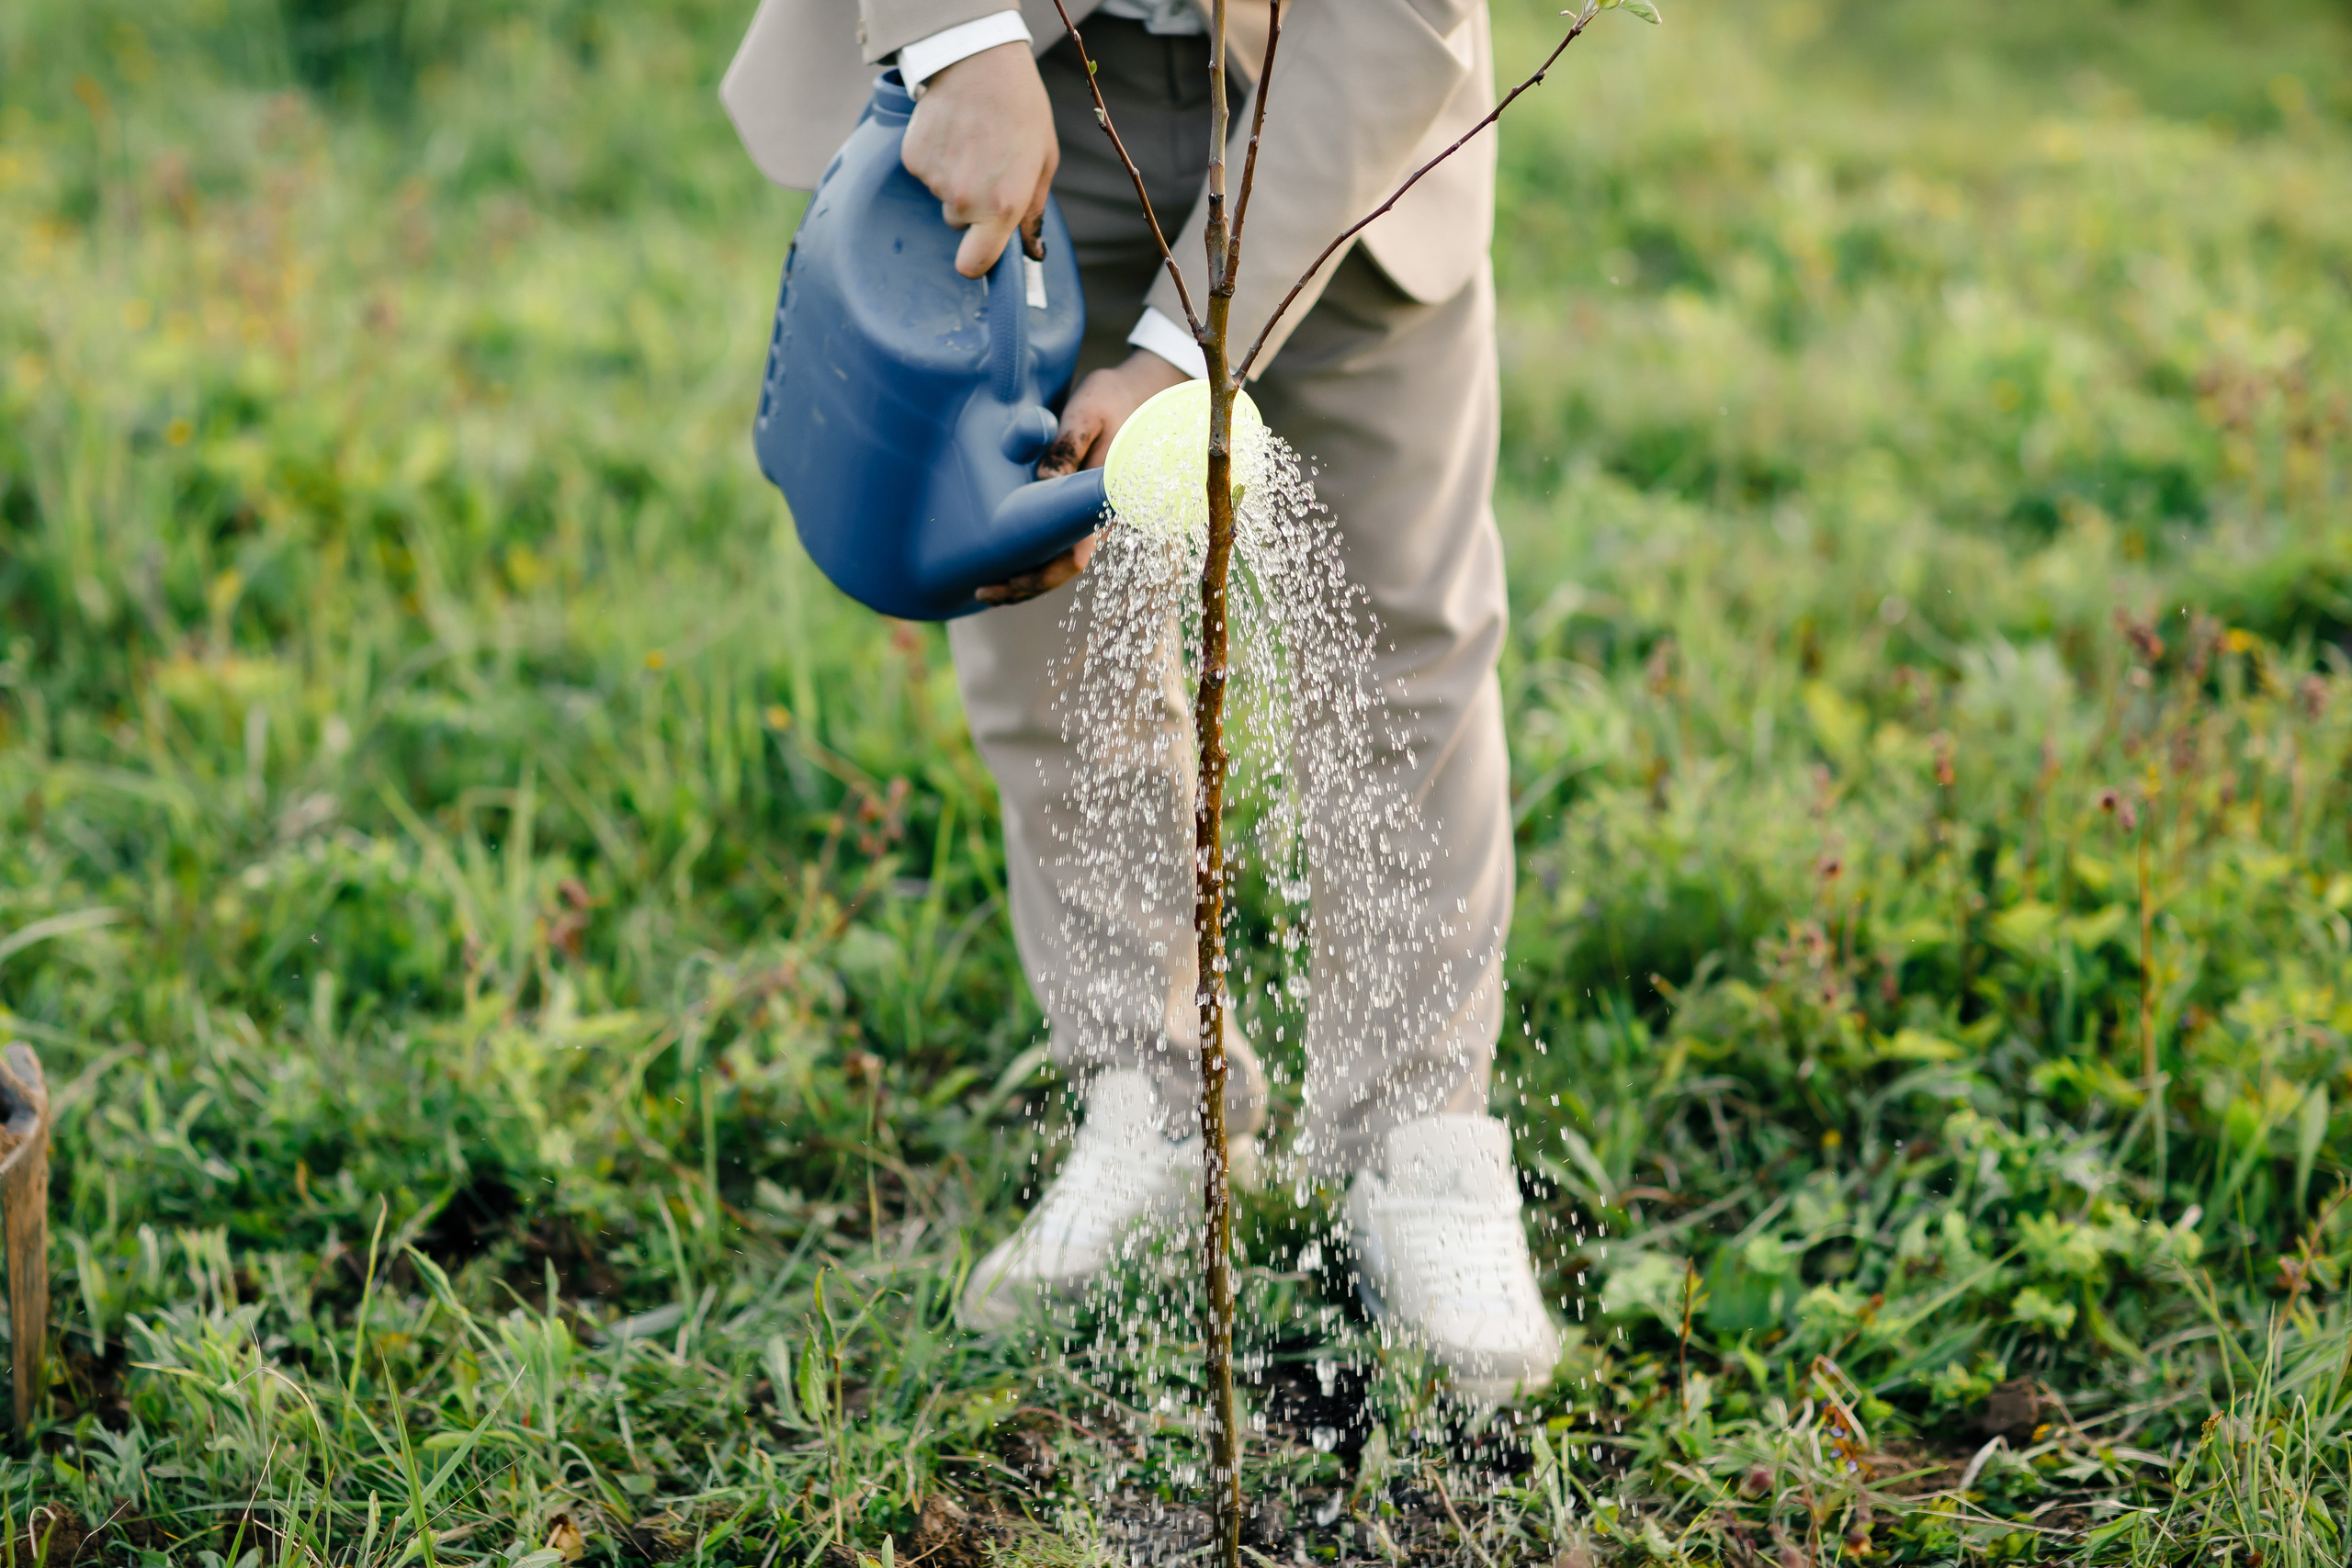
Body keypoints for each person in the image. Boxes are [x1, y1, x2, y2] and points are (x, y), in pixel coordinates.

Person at [721, 0, 1562, 1403]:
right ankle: (1155, 1105)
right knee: (1042, 596)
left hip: (1338, 83)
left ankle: (1419, 1135)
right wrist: (958, 38)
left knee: (1398, 619)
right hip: (1024, 68)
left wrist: (1182, 359)